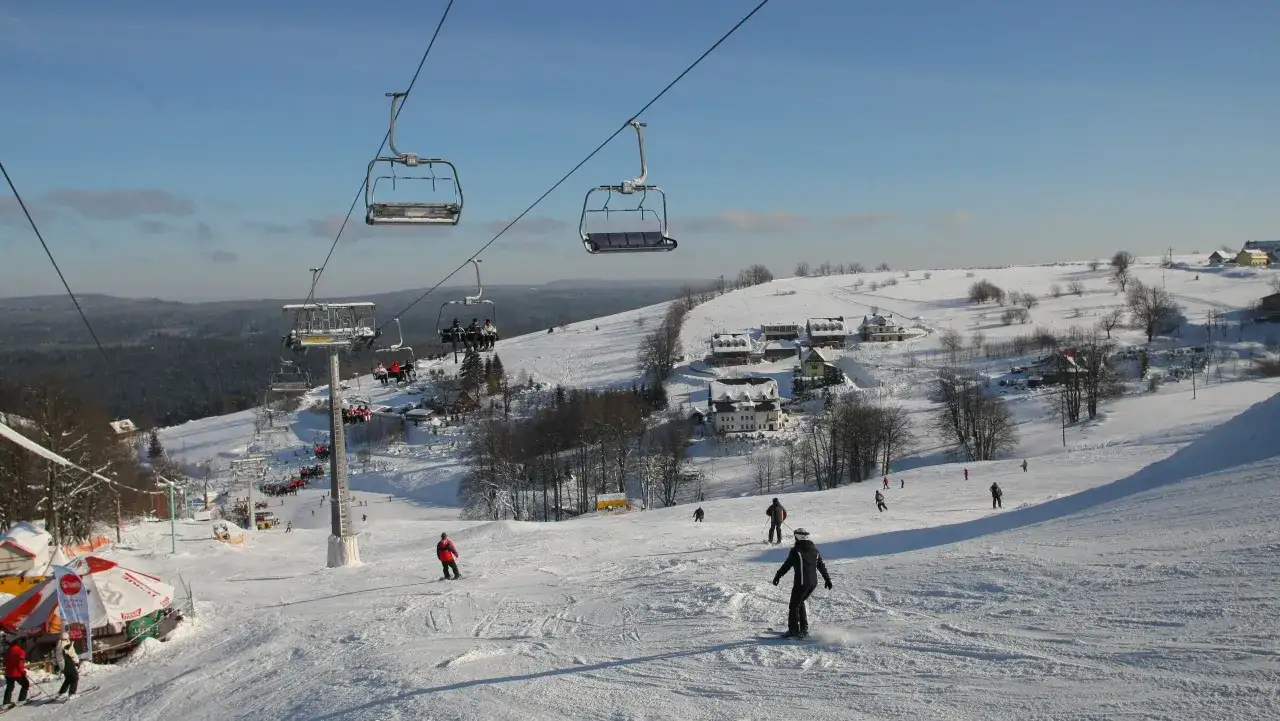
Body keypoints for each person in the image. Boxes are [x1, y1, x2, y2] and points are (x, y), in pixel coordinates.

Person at [771, 528, 832, 639]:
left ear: (797, 538)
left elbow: (787, 565)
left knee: (794, 606)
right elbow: (821, 565)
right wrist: (827, 579)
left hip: (801, 583)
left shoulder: (796, 551)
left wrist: (778, 575)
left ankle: (794, 631)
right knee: (800, 602)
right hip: (812, 583)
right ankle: (803, 630)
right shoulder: (814, 550)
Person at [2, 636, 29, 708]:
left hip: (8, 672)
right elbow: (20, 664)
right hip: (17, 673)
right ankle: (22, 700)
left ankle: (6, 702)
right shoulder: (21, 651)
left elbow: (5, 661)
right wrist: (23, 672)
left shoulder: (9, 649)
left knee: (9, 687)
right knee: (25, 684)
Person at [53, 632, 80, 700]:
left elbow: (54, 657)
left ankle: (62, 693)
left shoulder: (57, 646)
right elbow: (72, 654)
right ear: (67, 638)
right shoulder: (67, 645)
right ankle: (72, 694)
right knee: (74, 677)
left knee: (68, 678)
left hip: (61, 665)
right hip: (68, 663)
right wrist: (77, 662)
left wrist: (56, 665)